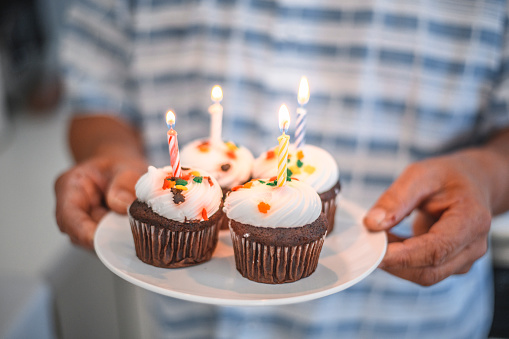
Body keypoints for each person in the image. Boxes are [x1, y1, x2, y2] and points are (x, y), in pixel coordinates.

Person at [55, 0, 509, 338]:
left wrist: (485, 175)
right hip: (186, 317)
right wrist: (109, 151)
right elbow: (94, 97)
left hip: (404, 320)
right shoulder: (225, 203)